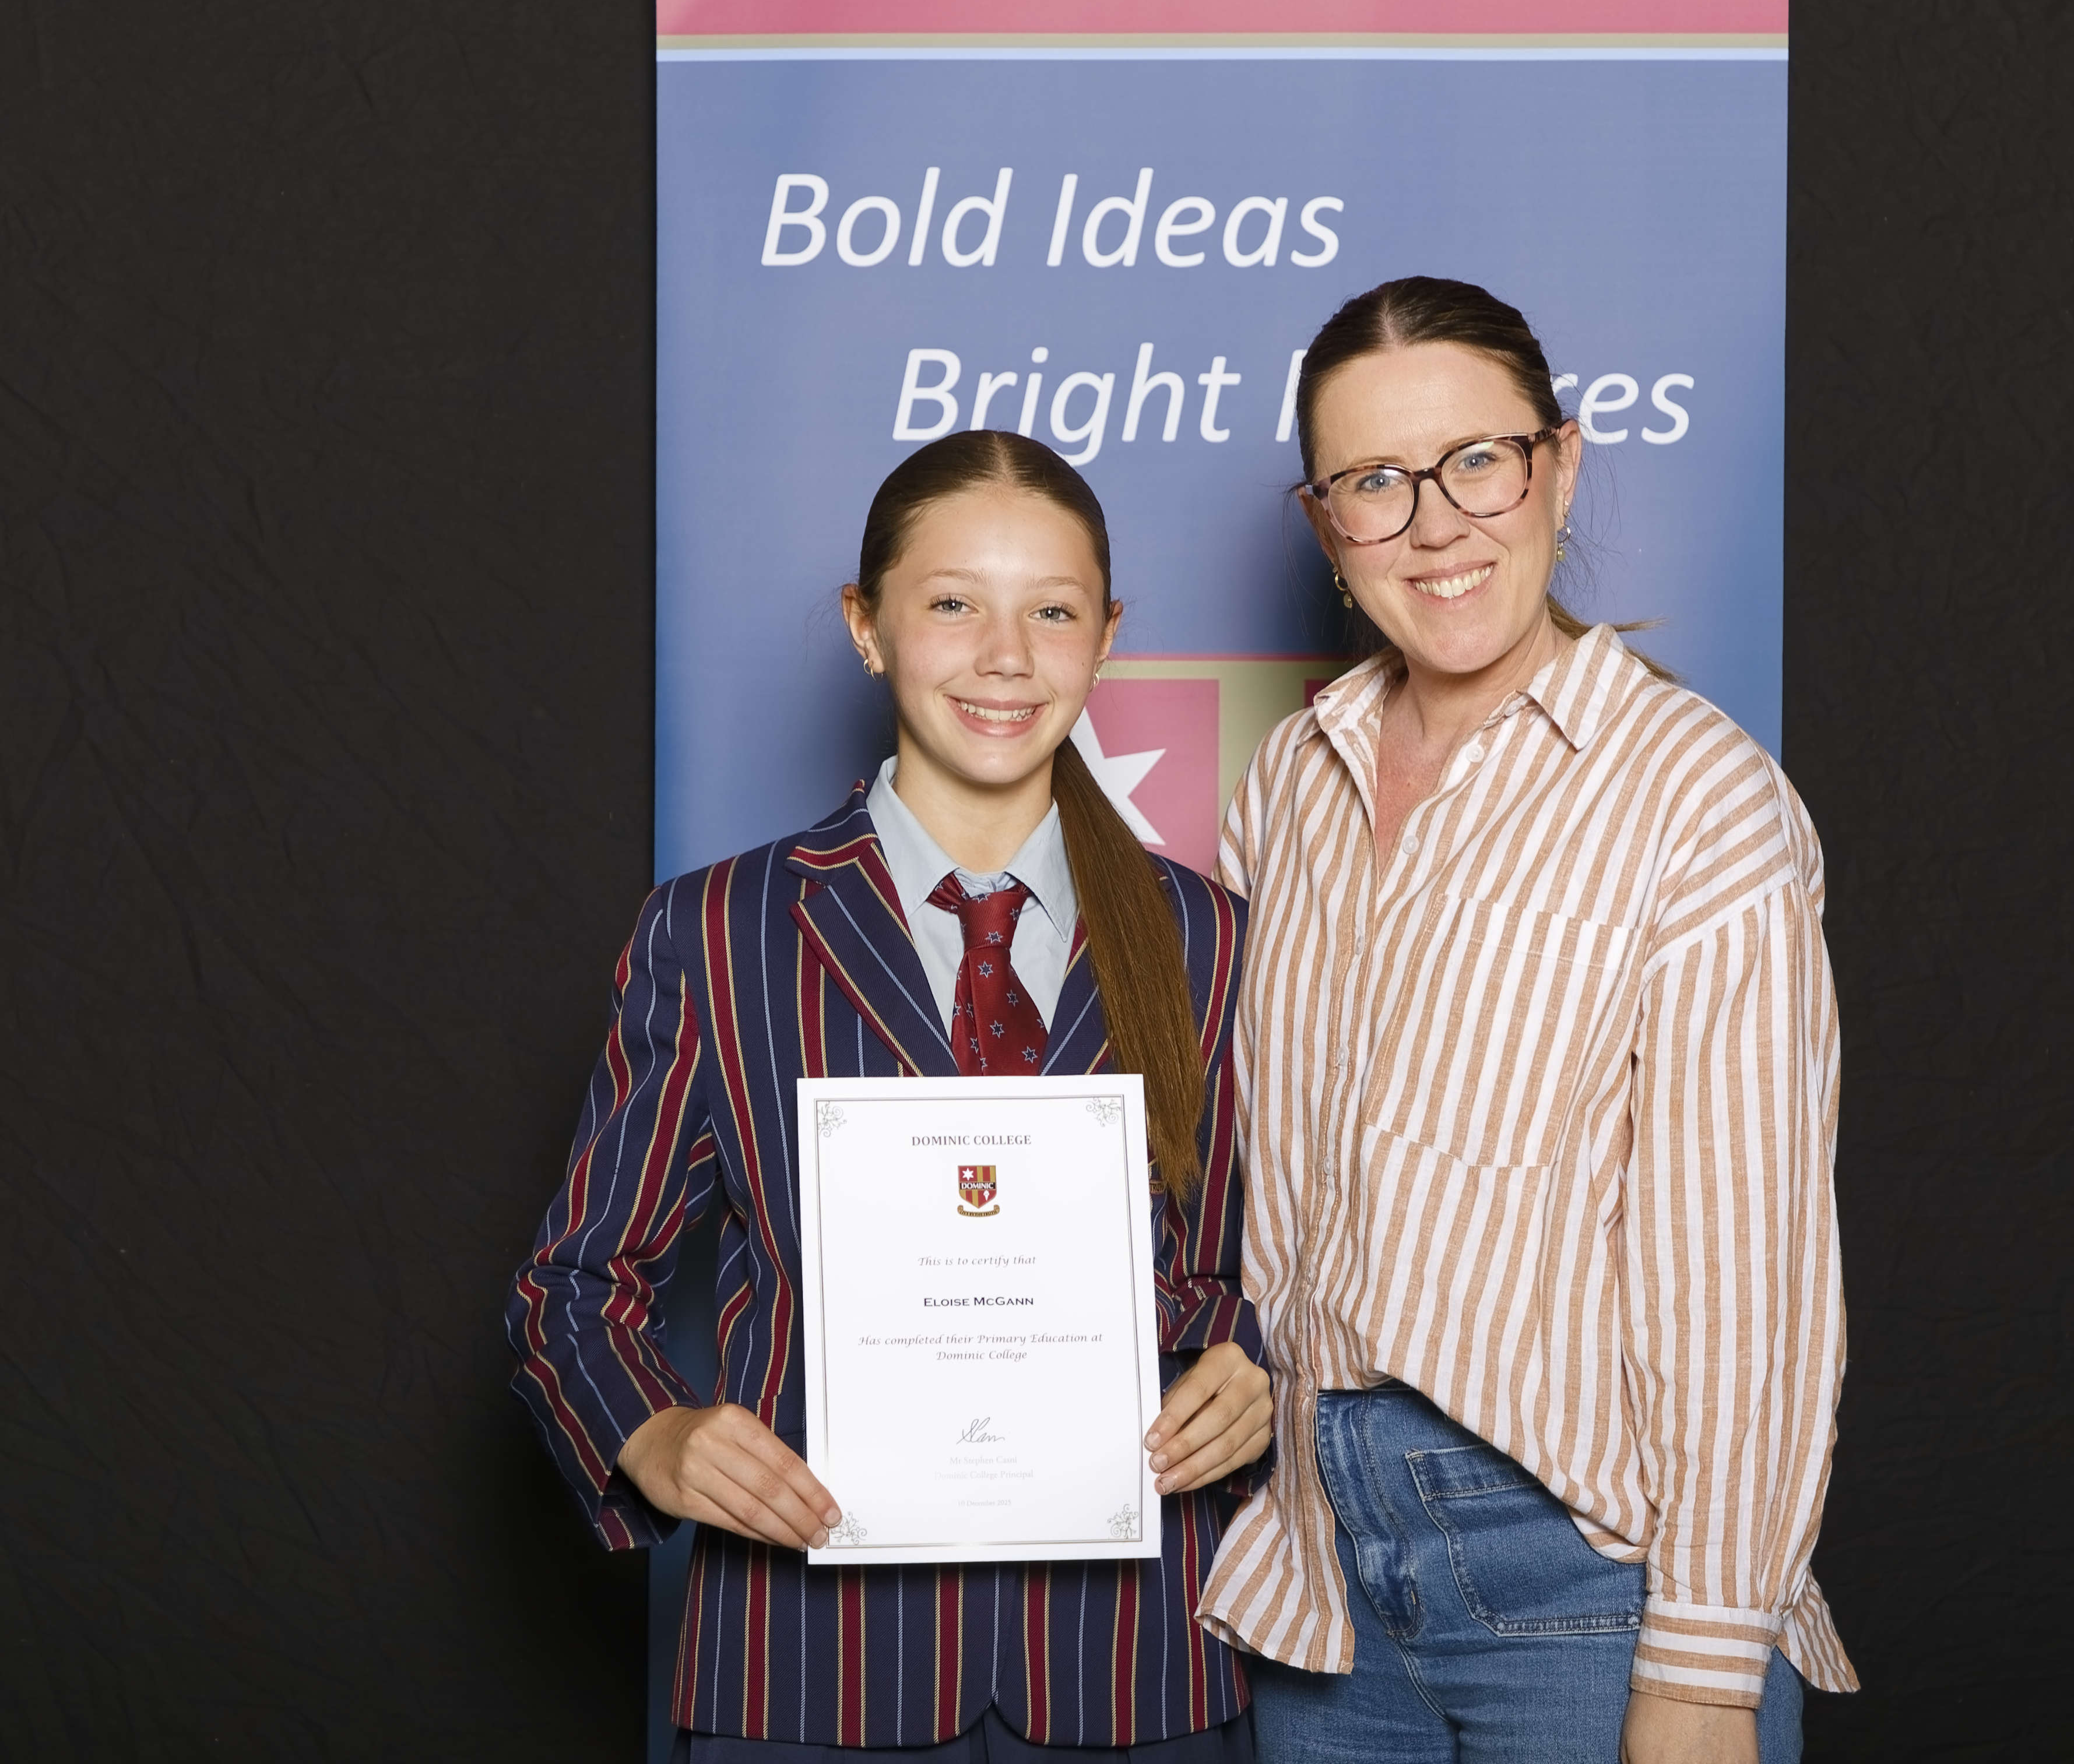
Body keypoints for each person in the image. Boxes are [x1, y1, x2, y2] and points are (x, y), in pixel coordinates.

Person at [507, 430, 1272, 1761]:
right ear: (868, 627)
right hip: (809, 1671)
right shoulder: (721, 930)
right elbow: (572, 1284)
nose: (1006, 655)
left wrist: (1259, 1374)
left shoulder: (1212, 938)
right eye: (953, 603)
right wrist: (652, 1430)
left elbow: (1265, 1276)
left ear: (1107, 639)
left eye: (1054, 612)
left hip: (1133, 1669)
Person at [1195, 277, 1855, 1764]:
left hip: (1590, 1578)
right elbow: (1258, 1176)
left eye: (1477, 461)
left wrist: (1703, 1668)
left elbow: (1748, 1280)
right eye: (1376, 481)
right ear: (1325, 524)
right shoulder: (1290, 783)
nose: (1435, 524)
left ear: (1559, 464)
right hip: (1318, 1572)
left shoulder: (1699, 799)